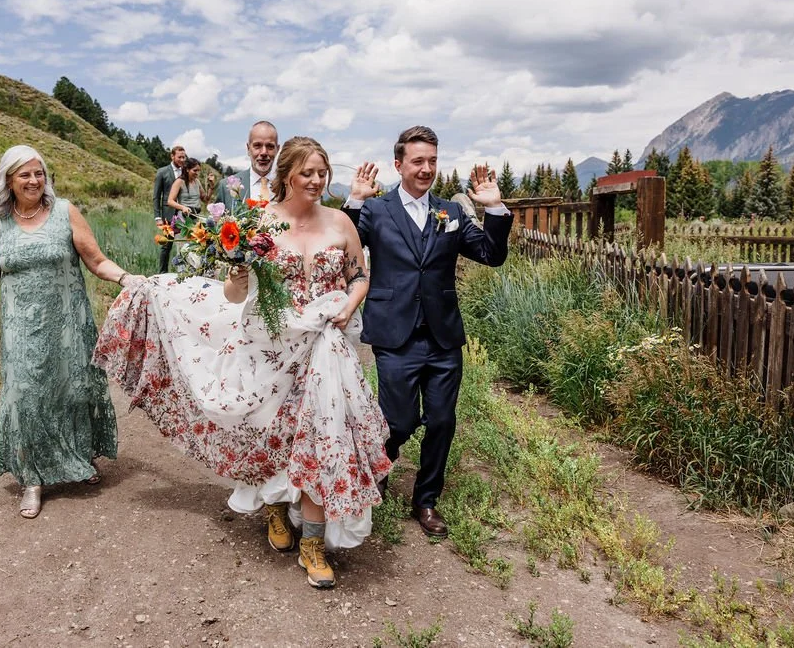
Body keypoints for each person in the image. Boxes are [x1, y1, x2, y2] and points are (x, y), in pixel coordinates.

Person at [94, 136, 391, 589]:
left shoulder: (341, 223)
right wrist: (235, 274)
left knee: (323, 435)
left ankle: (312, 545)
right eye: (307, 173)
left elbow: (359, 276)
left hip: (325, 349)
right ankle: (274, 508)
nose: (316, 181)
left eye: (322, 173)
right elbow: (235, 296)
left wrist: (350, 305)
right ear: (287, 174)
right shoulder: (261, 224)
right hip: (271, 346)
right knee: (269, 433)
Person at [343, 126, 512, 538]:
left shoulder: (450, 214)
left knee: (441, 420)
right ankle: (380, 465)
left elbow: (491, 255)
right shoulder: (376, 211)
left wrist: (495, 210)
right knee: (397, 423)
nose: (426, 169)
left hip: (442, 335)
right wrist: (352, 203)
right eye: (418, 161)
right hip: (393, 332)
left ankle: (426, 499)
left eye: (433, 161)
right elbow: (342, 250)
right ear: (398, 164)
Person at [0, 145, 128, 519]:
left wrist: (126, 278)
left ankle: (78, 459)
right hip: (21, 328)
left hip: (67, 322)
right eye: (25, 174)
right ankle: (32, 478)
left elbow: (96, 260)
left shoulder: (65, 212)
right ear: (9, 179)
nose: (33, 180)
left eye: (39, 173)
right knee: (24, 396)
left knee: (74, 388)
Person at [215, 121, 278, 207]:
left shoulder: (289, 186)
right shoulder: (226, 187)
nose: (264, 152)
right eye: (257, 145)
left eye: (270, 146)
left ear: (277, 149)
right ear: (248, 149)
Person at [153, 145, 187, 273]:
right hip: (168, 215)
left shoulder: (186, 172)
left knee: (185, 245)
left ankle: (183, 273)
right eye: (180, 157)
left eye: (184, 157)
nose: (182, 160)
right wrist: (157, 217)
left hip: (184, 216)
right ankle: (162, 273)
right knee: (166, 245)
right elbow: (156, 196)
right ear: (172, 156)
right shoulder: (162, 172)